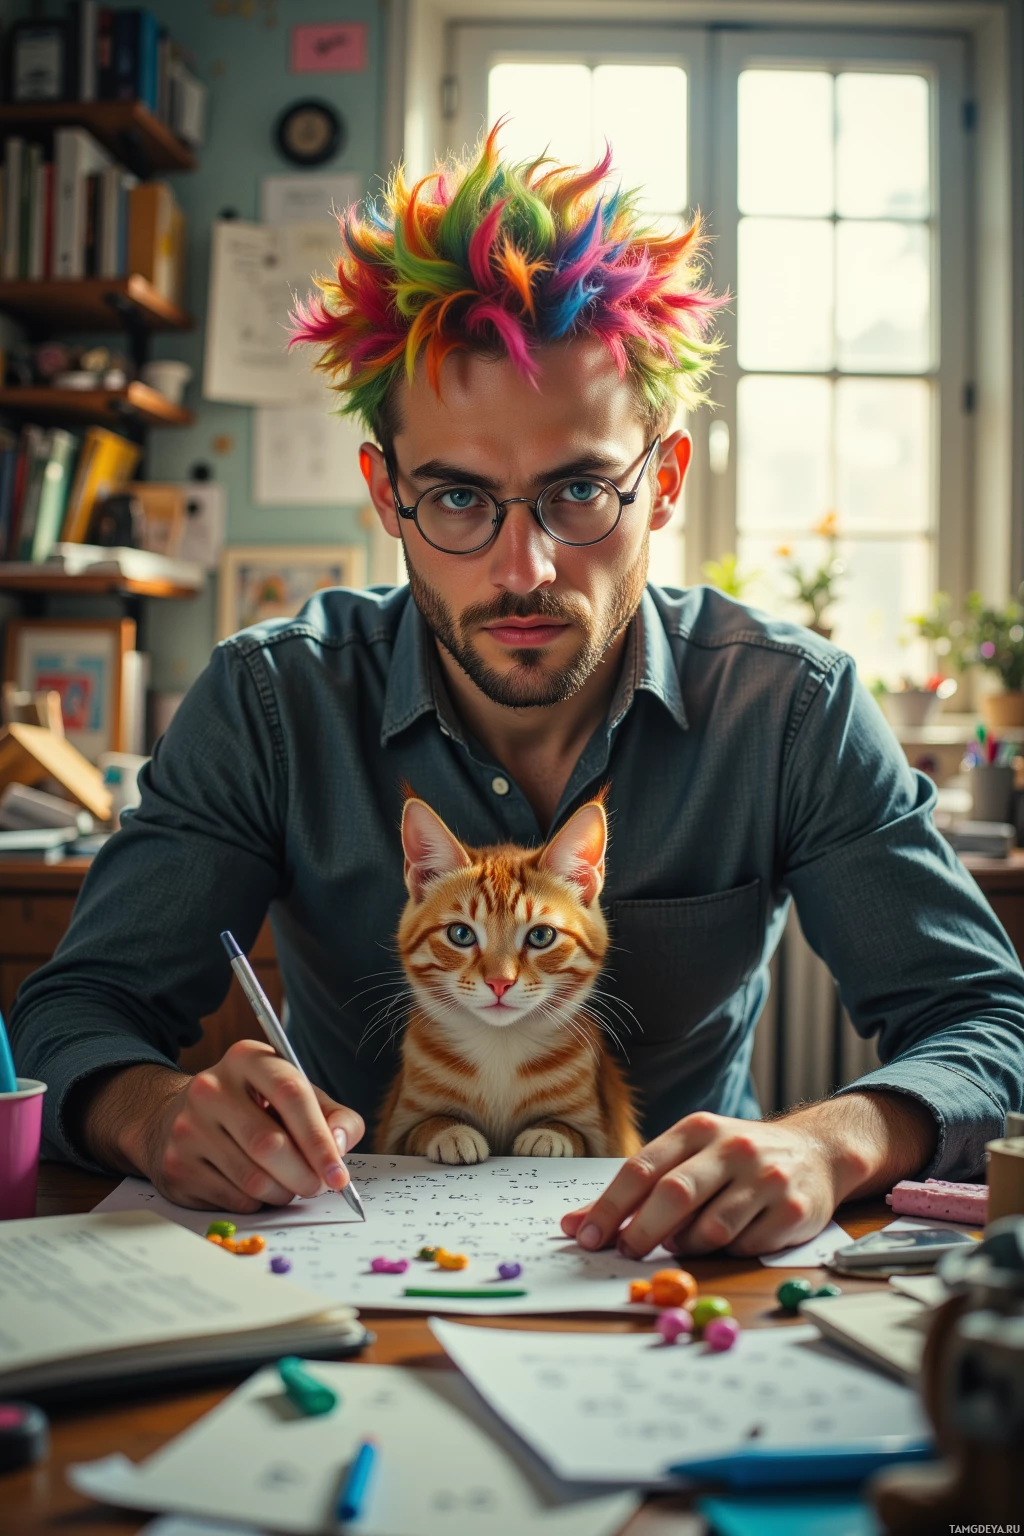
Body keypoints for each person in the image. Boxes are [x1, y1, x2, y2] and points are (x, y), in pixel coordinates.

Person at [11, 130, 1024, 1259]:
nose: (523, 569)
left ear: (665, 480)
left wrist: (832, 1143)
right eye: (455, 499)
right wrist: (154, 1114)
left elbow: (985, 1020)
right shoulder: (269, 700)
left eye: (579, 489)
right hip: (343, 1269)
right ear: (385, 493)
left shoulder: (791, 708)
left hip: (675, 1279)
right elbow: (72, 1012)